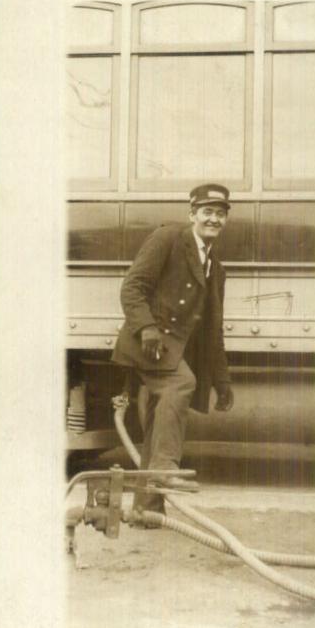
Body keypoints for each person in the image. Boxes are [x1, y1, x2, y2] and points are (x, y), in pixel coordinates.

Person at [112, 183, 234, 509]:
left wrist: (222, 382)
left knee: (156, 422)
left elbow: (212, 333)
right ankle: (165, 468)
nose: (214, 219)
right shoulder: (168, 238)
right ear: (191, 214)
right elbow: (132, 288)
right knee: (182, 382)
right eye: (207, 212)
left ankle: (146, 509)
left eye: (220, 214)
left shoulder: (216, 268)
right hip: (147, 343)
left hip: (172, 351)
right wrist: (148, 329)